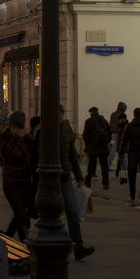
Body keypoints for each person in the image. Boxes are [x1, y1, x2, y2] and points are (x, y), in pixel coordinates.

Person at [55, 104, 95, 260]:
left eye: (60, 114)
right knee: (50, 212)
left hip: (65, 176)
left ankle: (78, 246)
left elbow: (72, 154)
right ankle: (54, 244)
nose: (58, 117)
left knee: (72, 211)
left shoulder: (66, 130)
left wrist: (79, 177)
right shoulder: (44, 130)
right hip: (49, 178)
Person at [0, 111, 33, 241]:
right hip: (10, 180)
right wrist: (17, 138)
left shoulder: (27, 139)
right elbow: (7, 154)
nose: (16, 130)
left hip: (25, 179)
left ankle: (7, 238)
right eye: (14, 127)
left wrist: (27, 137)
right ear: (10, 126)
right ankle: (25, 242)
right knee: (20, 212)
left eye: (19, 127)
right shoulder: (3, 136)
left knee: (20, 213)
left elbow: (31, 156)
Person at [82, 106, 112, 189]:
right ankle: (105, 183)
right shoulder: (104, 121)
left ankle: (88, 181)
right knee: (104, 166)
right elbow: (109, 134)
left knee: (91, 165)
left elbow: (85, 135)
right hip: (103, 148)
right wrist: (106, 143)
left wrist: (87, 146)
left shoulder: (88, 122)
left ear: (91, 113)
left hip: (93, 148)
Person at [111, 102, 129, 182]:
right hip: (118, 137)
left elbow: (110, 125)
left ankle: (123, 167)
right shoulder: (124, 123)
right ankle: (125, 166)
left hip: (114, 134)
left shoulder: (113, 114)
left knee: (118, 153)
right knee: (117, 152)